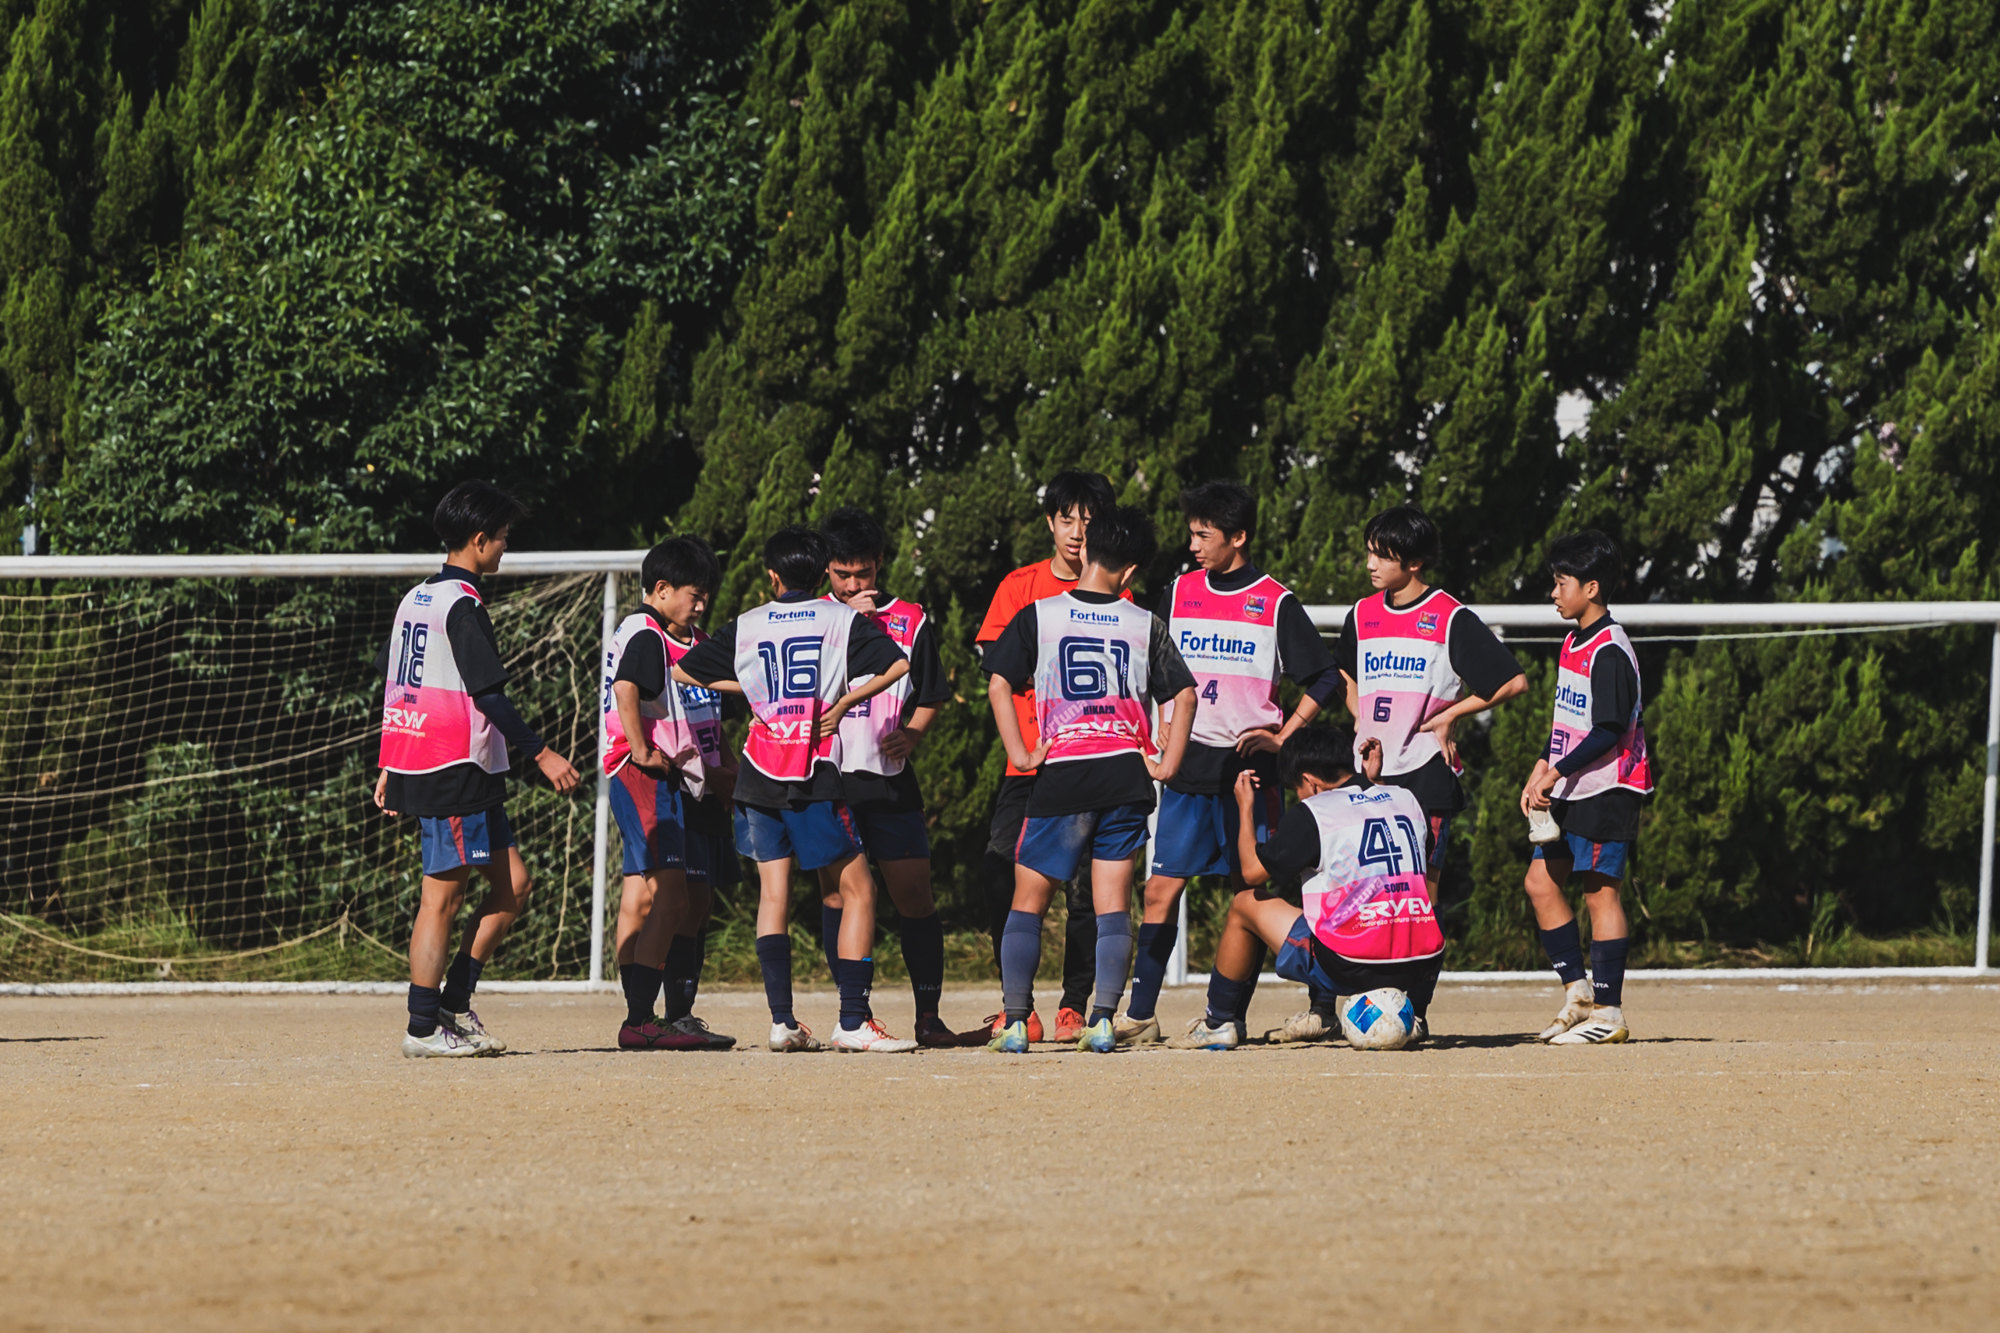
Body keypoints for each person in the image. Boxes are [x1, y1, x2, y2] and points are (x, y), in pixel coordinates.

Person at [673, 525, 918, 1054]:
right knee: (860, 891)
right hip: (811, 772)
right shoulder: (841, 618)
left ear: (772, 576)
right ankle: (852, 1020)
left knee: (773, 894)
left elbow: (684, 672)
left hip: (758, 769)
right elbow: (899, 664)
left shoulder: (748, 623)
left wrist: (758, 691)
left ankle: (782, 1021)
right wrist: (843, 704)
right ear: (822, 572)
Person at [1123, 480, 1346, 1047]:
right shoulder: (1177, 593)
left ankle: (1247, 1017)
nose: (1193, 545)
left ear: (1238, 536)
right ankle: (1141, 1013)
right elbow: (1148, 665)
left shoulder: (1275, 601)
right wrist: (1160, 721)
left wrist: (1285, 736)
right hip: (1188, 768)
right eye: (1192, 533)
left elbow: (1324, 677)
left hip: (1250, 775)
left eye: (1204, 535)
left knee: (1258, 894)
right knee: (1159, 891)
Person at [374, 481, 582, 1058]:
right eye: (503, 537)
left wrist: (391, 761)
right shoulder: (461, 604)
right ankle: (422, 1028)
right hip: (451, 766)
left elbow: (399, 685)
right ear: (480, 539)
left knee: (514, 886)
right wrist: (541, 752)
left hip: (449, 765)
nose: (506, 547)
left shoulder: (415, 598)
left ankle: (453, 1003)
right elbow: (487, 695)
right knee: (441, 899)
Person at [981, 504, 1199, 1053]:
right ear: (1131, 570)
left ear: (1089, 548)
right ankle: (1101, 1020)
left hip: (1064, 771)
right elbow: (1185, 695)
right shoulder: (1144, 622)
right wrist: (1168, 763)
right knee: (1111, 904)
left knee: (1028, 902)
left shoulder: (1040, 614)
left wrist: (1021, 753)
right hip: (1125, 773)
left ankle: (1015, 1021)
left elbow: (999, 683)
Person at [1321, 506, 1526, 1040]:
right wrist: (1362, 717)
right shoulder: (1362, 613)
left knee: (1419, 901)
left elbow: (1511, 681)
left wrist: (1450, 716)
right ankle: (1330, 1007)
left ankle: (1414, 1011)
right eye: (1369, 551)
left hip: (1423, 778)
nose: (1369, 563)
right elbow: (1342, 670)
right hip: (1369, 778)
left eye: (1381, 555)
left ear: (1413, 562)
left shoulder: (1448, 616)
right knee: (1354, 894)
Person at [1167, 725, 1443, 1051]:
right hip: (1420, 963)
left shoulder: (1315, 811)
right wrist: (1372, 780)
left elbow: (1252, 874)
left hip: (1350, 965)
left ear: (1310, 781)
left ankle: (1218, 1023)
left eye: (1296, 788)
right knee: (1338, 898)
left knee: (1245, 904)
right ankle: (1414, 1017)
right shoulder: (1407, 798)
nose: (1298, 796)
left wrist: (1245, 808)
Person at [974, 470, 1127, 1043]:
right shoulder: (1020, 587)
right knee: (999, 871)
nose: (1077, 532)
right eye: (1067, 519)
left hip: (1094, 761)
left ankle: (1074, 1005)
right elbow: (994, 663)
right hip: (1030, 762)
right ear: (1050, 523)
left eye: (1089, 520)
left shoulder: (1120, 594)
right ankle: (1018, 1006)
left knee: (1089, 888)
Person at [812, 507, 961, 1047]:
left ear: (879, 564)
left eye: (864, 573)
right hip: (828, 779)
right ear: (826, 570)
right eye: (842, 575)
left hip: (889, 780)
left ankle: (929, 1016)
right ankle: (855, 1013)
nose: (854, 585)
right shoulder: (811, 618)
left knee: (915, 895)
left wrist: (913, 734)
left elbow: (932, 692)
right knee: (838, 897)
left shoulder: (911, 618)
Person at [601, 536, 737, 1052]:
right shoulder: (644, 631)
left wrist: (725, 767)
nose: (701, 605)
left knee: (696, 899)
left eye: (705, 596)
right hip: (652, 774)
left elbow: (712, 714)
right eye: (694, 595)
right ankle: (639, 1018)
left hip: (694, 778)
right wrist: (639, 750)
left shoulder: (698, 642)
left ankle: (679, 1015)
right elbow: (626, 689)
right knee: (666, 896)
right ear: (661, 589)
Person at [1519, 530, 1653, 1045]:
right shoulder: (1574, 640)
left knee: (1600, 895)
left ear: (1591, 588)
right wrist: (1541, 767)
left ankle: (1609, 1011)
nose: (1553, 592)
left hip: (1607, 788)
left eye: (1561, 582)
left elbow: (1608, 729)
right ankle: (1578, 995)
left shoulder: (1610, 649)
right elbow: (1567, 722)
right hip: (1572, 785)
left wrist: (1556, 773)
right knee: (1540, 883)